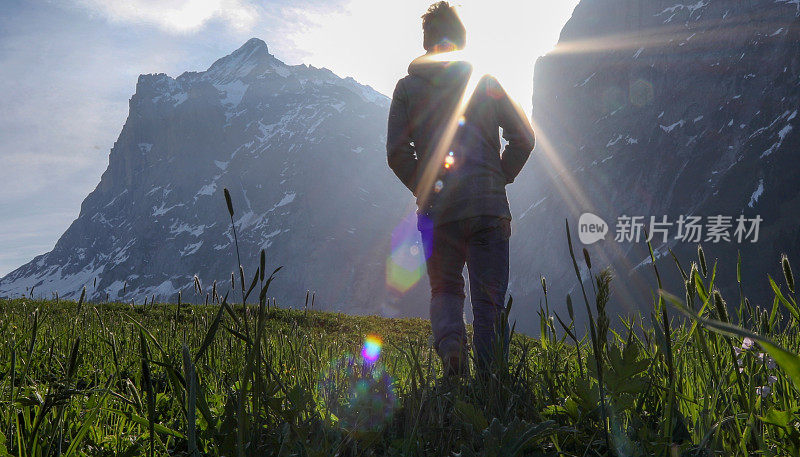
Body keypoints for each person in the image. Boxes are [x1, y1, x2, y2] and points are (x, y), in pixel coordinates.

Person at [386, 1, 535, 376]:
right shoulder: (485, 82)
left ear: (426, 42)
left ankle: (452, 352)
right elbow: (524, 137)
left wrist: (426, 189)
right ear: (461, 41)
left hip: (439, 213)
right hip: (489, 209)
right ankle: (490, 384)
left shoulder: (406, 89)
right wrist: (501, 175)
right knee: (489, 302)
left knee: (445, 290)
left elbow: (396, 153)